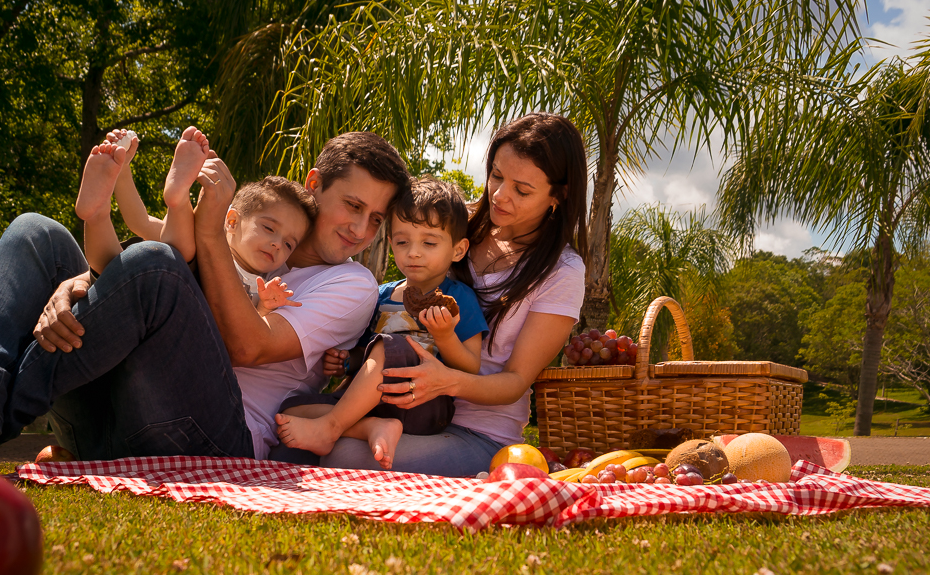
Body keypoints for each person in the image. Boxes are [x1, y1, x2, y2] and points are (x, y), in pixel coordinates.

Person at [0, 130, 409, 478]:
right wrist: (78, 284)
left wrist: (209, 229)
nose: (360, 230)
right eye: (351, 205)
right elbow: (136, 277)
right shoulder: (261, 232)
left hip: (215, 439)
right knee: (35, 233)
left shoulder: (350, 284)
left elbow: (246, 344)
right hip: (115, 414)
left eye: (375, 219)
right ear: (314, 185)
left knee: (158, 267)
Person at [275, 113, 589, 477]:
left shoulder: (562, 271)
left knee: (346, 456)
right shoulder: (450, 222)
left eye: (522, 190)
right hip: (390, 403)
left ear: (558, 196)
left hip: (474, 432)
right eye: (496, 175)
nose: (500, 195)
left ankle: (338, 429)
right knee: (288, 432)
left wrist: (446, 380)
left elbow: (516, 382)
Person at [272, 176, 487, 469]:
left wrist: (445, 336)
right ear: (391, 243)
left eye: (429, 243)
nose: (413, 252)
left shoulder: (458, 298)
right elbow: (366, 354)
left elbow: (471, 367)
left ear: (458, 250)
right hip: (368, 406)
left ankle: (332, 427)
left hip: (419, 403)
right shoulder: (381, 295)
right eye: (402, 242)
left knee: (392, 346)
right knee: (290, 409)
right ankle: (368, 427)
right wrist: (347, 361)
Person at [82, 127, 310, 315]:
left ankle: (97, 217)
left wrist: (265, 307)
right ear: (232, 222)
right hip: (140, 290)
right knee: (175, 249)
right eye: (269, 228)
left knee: (174, 251)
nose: (277, 244)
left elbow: (249, 334)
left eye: (289, 244)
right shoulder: (205, 240)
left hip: (169, 314)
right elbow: (140, 222)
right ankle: (169, 202)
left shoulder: (267, 287)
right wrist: (122, 170)